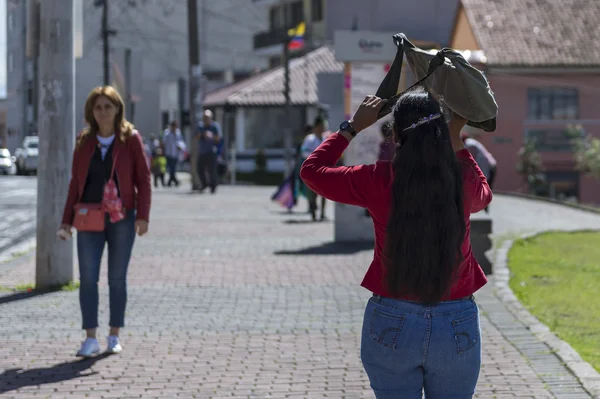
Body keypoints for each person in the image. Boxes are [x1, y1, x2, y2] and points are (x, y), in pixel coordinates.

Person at [300, 88, 492, 398]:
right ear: (440, 132)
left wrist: (352, 127)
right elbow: (484, 193)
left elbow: (312, 172)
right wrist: (456, 138)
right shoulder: (461, 180)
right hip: (456, 321)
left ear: (397, 134)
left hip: (392, 318)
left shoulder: (377, 178)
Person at [57, 85, 152, 358]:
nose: (102, 112)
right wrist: (66, 222)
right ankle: (90, 338)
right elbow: (75, 183)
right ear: (91, 111)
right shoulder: (84, 141)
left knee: (117, 278)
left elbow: (143, 180)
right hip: (89, 218)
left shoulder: (131, 139)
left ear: (117, 109)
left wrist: (143, 216)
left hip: (123, 219)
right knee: (87, 278)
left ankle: (114, 335)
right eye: (97, 107)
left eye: (107, 107)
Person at [299, 116, 329, 221]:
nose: (322, 129)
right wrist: (315, 156)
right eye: (320, 126)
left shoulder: (326, 138)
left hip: (324, 168)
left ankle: (322, 213)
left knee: (325, 192)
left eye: (323, 127)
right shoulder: (310, 139)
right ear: (316, 127)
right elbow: (303, 152)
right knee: (313, 192)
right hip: (313, 168)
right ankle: (313, 212)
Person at [461, 131, 497, 213]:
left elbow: (470, 160)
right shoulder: (472, 142)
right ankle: (484, 208)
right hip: (491, 165)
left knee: (485, 188)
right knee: (487, 189)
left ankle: (484, 208)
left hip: (488, 166)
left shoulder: (469, 144)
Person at [196, 110, 222, 193]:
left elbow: (218, 139)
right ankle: (204, 184)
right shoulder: (200, 126)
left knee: (212, 171)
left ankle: (213, 187)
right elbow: (196, 136)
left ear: (211, 118)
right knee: (199, 169)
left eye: (207, 118)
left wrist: (211, 136)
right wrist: (203, 134)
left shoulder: (215, 126)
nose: (206, 119)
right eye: (204, 118)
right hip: (202, 151)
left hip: (212, 152)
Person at [162, 121, 186, 187]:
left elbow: (181, 141)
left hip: (176, 153)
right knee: (171, 168)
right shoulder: (167, 133)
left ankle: (171, 181)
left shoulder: (178, 132)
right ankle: (174, 181)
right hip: (169, 153)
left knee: (173, 168)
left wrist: (180, 146)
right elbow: (164, 142)